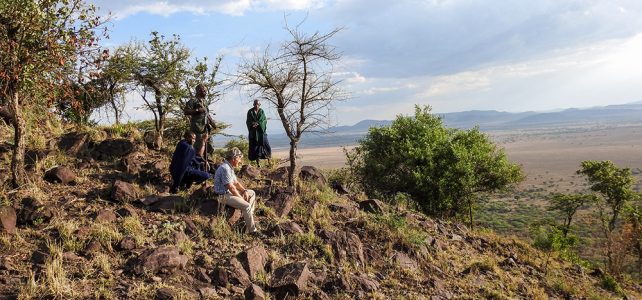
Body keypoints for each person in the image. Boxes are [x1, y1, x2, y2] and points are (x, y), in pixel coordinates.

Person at [213, 147, 257, 234]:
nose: (240, 160)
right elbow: (231, 187)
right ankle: (253, 231)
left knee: (251, 193)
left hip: (229, 193)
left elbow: (236, 183)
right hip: (223, 196)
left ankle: (248, 216)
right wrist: (241, 198)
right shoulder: (225, 168)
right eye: (239, 158)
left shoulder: (229, 167)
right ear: (234, 158)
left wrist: (244, 191)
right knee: (247, 206)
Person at [184, 84, 211, 159]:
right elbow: (185, 111)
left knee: (207, 148)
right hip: (196, 129)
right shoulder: (193, 101)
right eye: (204, 90)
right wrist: (197, 110)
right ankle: (195, 164)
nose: (205, 92)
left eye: (206, 91)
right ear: (199, 91)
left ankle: (206, 164)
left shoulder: (204, 102)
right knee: (197, 148)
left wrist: (212, 122)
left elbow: (206, 114)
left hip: (205, 129)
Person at [246, 99, 271, 167]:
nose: (256, 105)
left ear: (260, 105)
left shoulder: (261, 111)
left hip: (261, 132)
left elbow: (264, 120)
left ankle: (269, 162)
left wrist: (258, 123)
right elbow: (248, 121)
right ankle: (258, 164)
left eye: (258, 104)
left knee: (266, 146)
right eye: (255, 104)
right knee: (255, 148)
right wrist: (253, 124)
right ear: (253, 104)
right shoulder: (250, 112)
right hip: (253, 133)